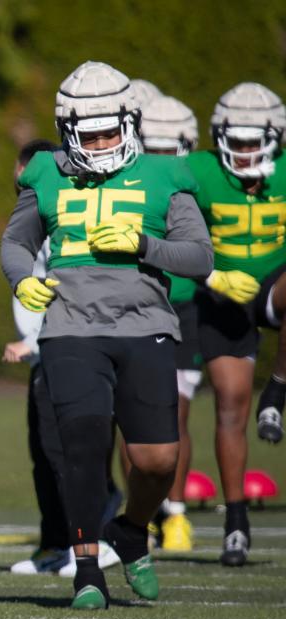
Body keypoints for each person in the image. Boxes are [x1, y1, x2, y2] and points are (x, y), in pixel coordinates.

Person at [0, 61, 212, 609]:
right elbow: (15, 242)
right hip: (70, 328)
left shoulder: (166, 173)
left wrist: (143, 244)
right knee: (84, 444)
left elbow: (198, 256)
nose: (99, 142)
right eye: (88, 133)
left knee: (158, 461)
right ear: (68, 129)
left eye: (109, 130)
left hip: (146, 327)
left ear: (130, 122)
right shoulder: (47, 171)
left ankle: (132, 529)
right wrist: (22, 279)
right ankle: (87, 569)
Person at [187, 82, 286, 566]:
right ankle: (236, 523)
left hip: (275, 284)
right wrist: (209, 275)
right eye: (237, 139)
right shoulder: (200, 171)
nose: (245, 151)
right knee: (229, 406)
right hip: (222, 292)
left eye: (254, 140)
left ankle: (279, 390)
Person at [3, 139, 72, 575]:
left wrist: (35, 340)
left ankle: (88, 542)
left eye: (21, 169)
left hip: (63, 348)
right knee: (42, 454)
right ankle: (53, 544)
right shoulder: (32, 213)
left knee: (64, 452)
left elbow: (70, 281)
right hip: (41, 356)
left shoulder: (61, 212)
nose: (17, 177)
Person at [138, 95, 201, 552]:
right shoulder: (125, 178)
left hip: (181, 305)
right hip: (136, 308)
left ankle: (175, 514)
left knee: (177, 414)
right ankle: (138, 517)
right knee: (132, 421)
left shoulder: (194, 180)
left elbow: (204, 248)